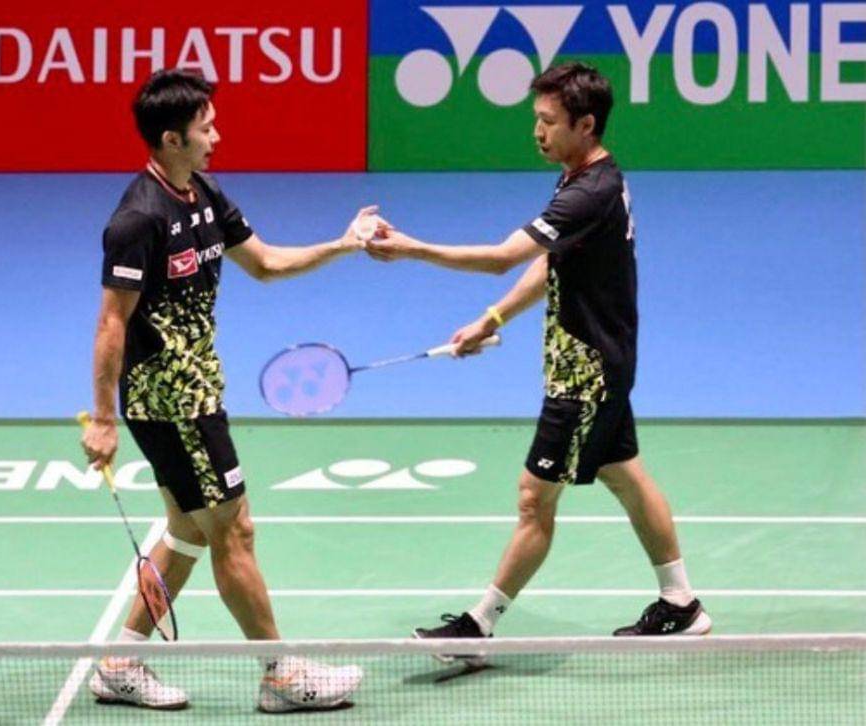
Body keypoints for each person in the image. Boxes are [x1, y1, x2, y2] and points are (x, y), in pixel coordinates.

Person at [367, 62, 711, 650]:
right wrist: (493, 318)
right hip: (601, 360)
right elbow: (552, 261)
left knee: (534, 498)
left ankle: (479, 625)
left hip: (585, 372)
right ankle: (681, 603)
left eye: (549, 121)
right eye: (536, 118)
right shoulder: (587, 177)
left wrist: (411, 249)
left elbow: (503, 257)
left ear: (586, 124)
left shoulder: (588, 193)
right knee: (625, 475)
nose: (537, 131)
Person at [81, 68, 366, 712]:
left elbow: (265, 262)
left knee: (186, 531)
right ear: (171, 139)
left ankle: (120, 662)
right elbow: (110, 323)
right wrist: (102, 418)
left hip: (201, 390)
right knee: (235, 529)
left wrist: (344, 244)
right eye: (205, 128)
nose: (217, 136)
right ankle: (280, 674)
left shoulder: (203, 193)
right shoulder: (137, 219)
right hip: (170, 401)